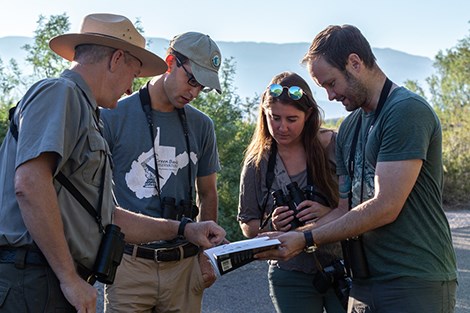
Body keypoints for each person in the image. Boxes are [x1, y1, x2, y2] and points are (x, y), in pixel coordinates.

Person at [0, 14, 225, 313]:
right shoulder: (60, 93)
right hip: (33, 277)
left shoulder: (84, 108)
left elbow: (106, 217)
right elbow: (29, 185)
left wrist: (184, 229)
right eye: (134, 73)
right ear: (116, 59)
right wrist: (69, 278)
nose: (132, 88)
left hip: (48, 278)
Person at [256, 25, 458, 313]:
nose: (329, 96)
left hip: (414, 280)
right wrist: (289, 237)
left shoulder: (406, 112)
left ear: (355, 62)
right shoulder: (350, 127)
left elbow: (386, 206)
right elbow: (344, 209)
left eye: (331, 83)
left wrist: (306, 239)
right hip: (362, 282)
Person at [100, 31, 222, 313]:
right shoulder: (113, 115)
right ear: (170, 62)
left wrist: (208, 255)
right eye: (192, 80)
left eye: (202, 87)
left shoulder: (202, 126)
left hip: (183, 266)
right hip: (128, 265)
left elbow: (208, 193)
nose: (194, 92)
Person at [237, 71, 346, 313]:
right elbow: (247, 224)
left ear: (308, 115)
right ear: (264, 114)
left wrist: (327, 212)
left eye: (291, 119)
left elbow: (360, 206)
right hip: (290, 275)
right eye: (274, 118)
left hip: (342, 266)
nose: (282, 127)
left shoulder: (333, 146)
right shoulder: (258, 162)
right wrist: (272, 226)